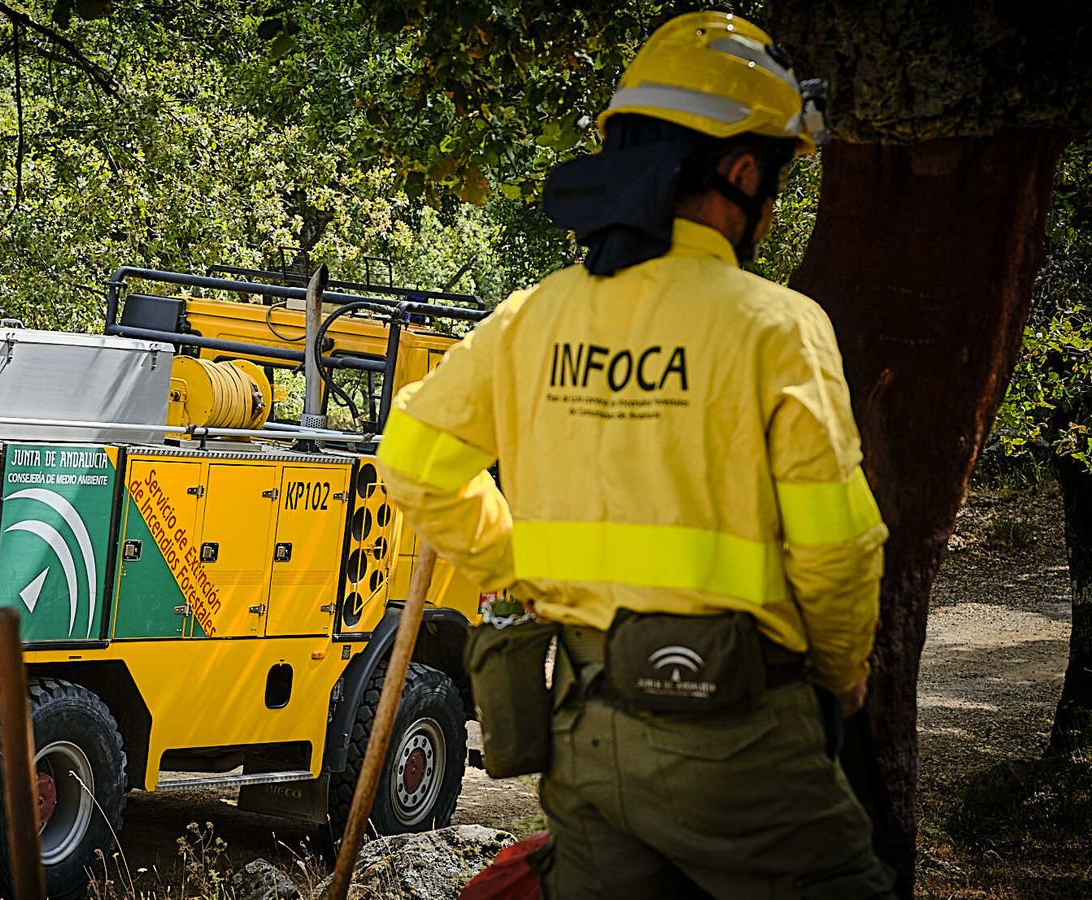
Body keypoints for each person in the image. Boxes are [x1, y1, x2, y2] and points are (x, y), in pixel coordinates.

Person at [375, 11, 896, 898]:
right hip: (742, 744)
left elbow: (414, 460)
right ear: (737, 172)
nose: (770, 211)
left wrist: (515, 563)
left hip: (586, 738)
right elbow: (837, 548)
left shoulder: (532, 317)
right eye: (772, 180)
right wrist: (841, 680)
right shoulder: (775, 328)